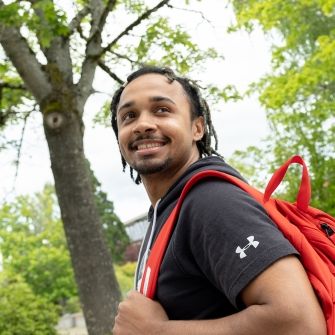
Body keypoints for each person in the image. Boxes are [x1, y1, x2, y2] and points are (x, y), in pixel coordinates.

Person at [110, 66, 326, 334]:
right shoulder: (167, 211)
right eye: (129, 116)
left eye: (162, 110)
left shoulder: (211, 202)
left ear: (197, 128)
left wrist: (158, 332)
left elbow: (299, 323)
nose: (143, 124)